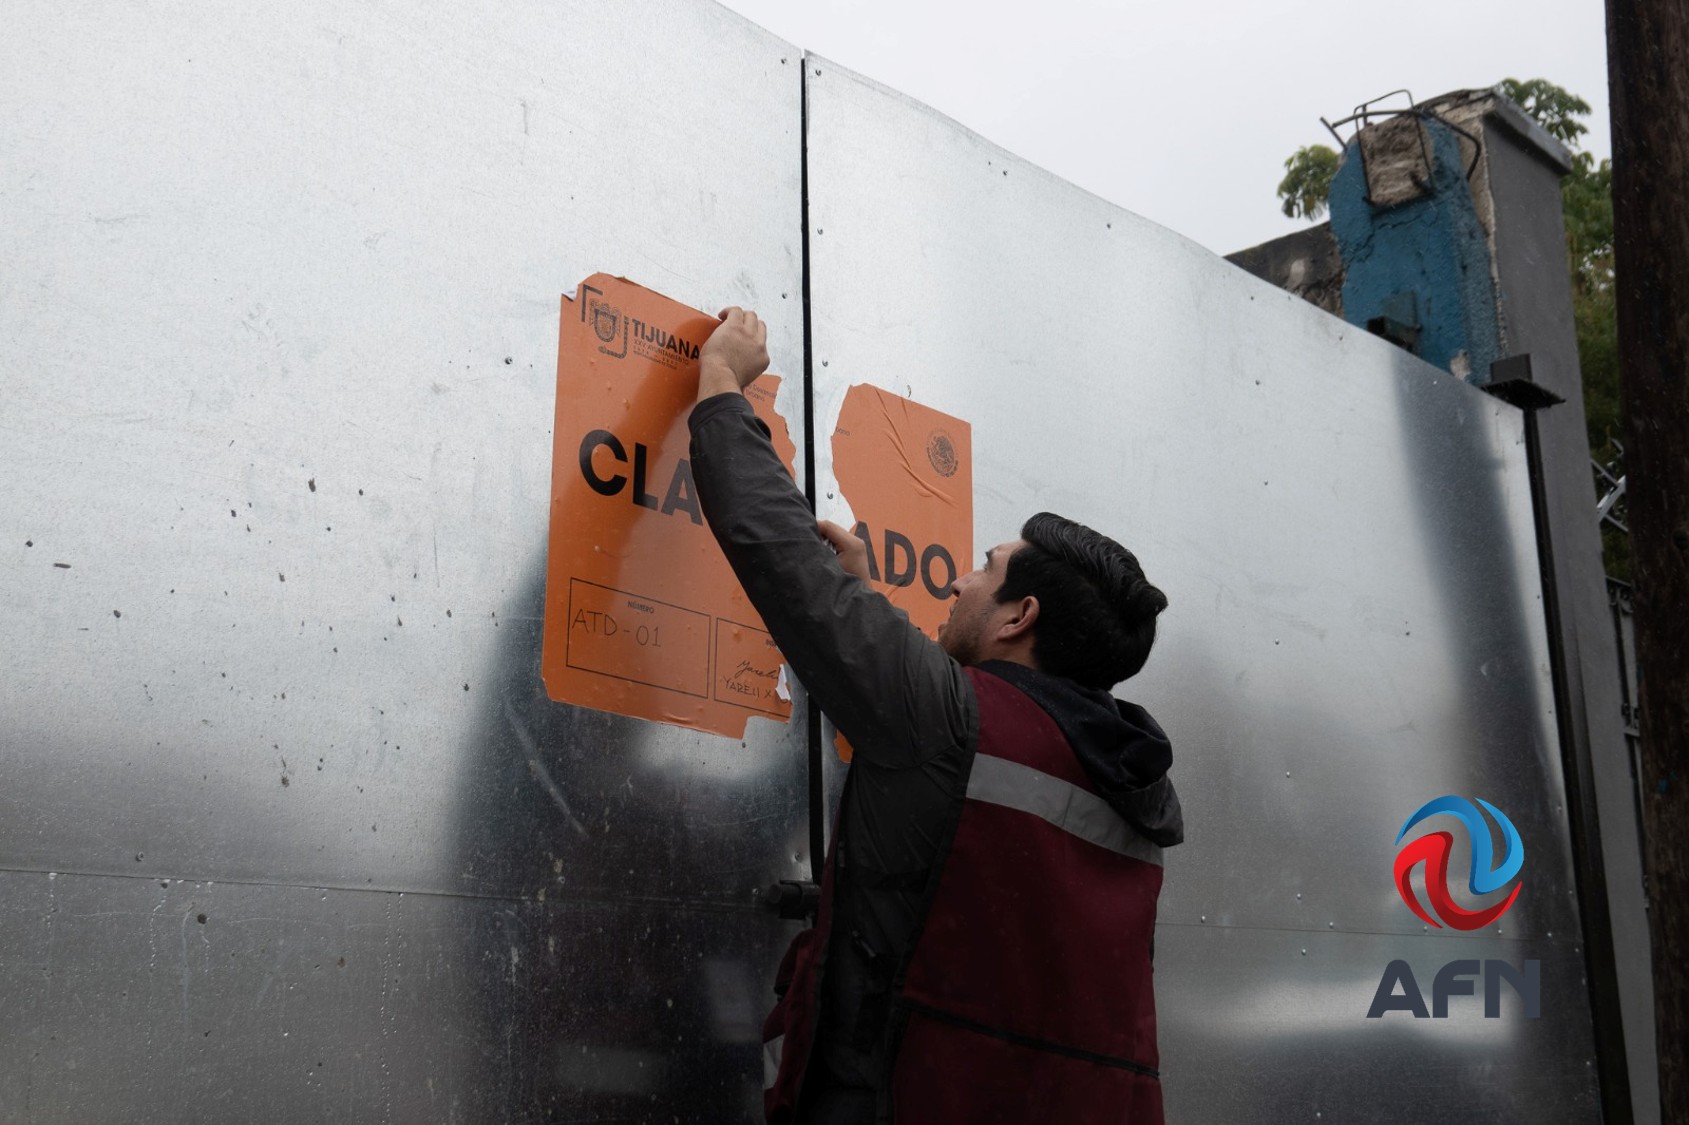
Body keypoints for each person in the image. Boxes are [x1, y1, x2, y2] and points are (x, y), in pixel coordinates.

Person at [690, 307, 1182, 1124]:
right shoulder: (1128, 778)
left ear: (1018, 616)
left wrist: (718, 382)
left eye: (983, 570)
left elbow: (776, 550)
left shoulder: (948, 720)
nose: (956, 582)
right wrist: (863, 598)